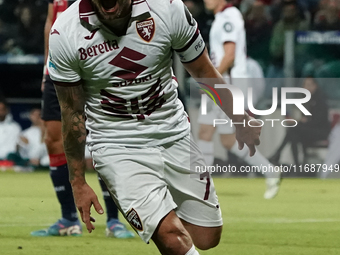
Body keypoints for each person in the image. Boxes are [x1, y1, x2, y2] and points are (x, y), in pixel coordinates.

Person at [47, 0, 261, 254]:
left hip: (173, 134)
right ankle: (149, 208)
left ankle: (158, 207)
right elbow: (72, 112)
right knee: (172, 238)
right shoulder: (65, 32)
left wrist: (238, 116)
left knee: (207, 237)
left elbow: (202, 70)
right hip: (116, 144)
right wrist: (78, 181)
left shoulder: (168, 8)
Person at [31, 0, 134, 238]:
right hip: (58, 68)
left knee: (105, 137)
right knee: (53, 140)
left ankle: (113, 220)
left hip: (94, 64)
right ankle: (68, 218)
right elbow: (51, 20)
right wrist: (47, 65)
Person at [198, 0, 281, 199]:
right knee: (227, 140)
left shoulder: (228, 17)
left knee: (205, 131)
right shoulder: (222, 17)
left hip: (228, 85)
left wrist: (211, 80)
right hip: (224, 83)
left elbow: (230, 55)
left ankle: (203, 188)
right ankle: (270, 170)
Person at [270, 77, 331, 166]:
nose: (307, 87)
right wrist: (300, 122)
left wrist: (297, 122)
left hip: (320, 131)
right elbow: (305, 120)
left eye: (309, 85)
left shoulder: (320, 101)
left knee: (293, 130)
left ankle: (278, 154)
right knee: (293, 135)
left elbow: (316, 122)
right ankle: (297, 165)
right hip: (309, 130)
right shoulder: (306, 101)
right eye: (305, 85)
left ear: (315, 86)